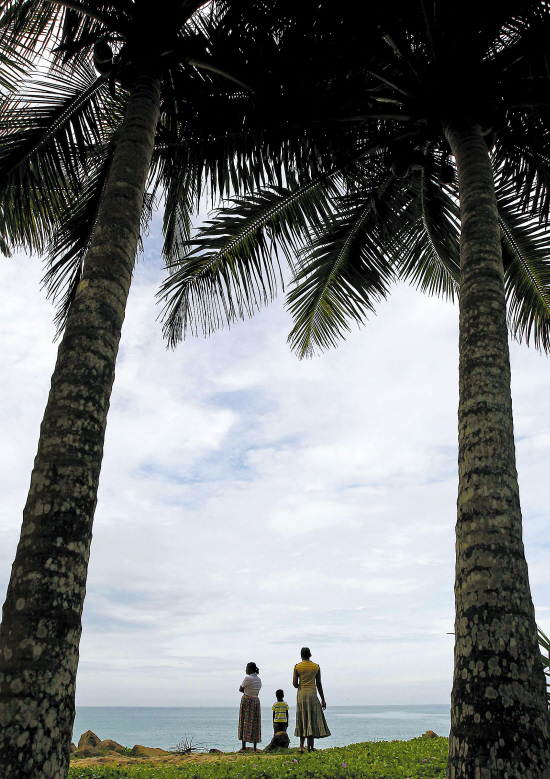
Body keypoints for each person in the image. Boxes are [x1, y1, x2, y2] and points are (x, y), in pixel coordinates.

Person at [293, 646, 330, 753]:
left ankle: (301, 747)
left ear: (301, 655)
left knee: (302, 719)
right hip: (313, 694)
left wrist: (301, 682)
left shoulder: (297, 667)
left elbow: (295, 684)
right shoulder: (316, 667)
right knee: (311, 719)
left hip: (301, 695)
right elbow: (319, 684)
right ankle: (310, 747)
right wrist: (323, 699)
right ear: (310, 654)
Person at [238, 661, 262, 752]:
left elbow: (241, 688)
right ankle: (255, 747)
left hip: (247, 700)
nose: (246, 670)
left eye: (247, 668)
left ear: (250, 669)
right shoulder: (259, 680)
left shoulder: (247, 679)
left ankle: (244, 746)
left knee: (245, 721)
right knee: (255, 722)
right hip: (256, 700)